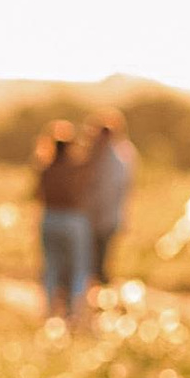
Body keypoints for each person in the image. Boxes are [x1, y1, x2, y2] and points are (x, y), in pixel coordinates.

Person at [33, 122, 93, 323]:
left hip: (49, 218)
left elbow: (36, 195)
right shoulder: (75, 169)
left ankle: (50, 311)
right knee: (77, 267)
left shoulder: (45, 168)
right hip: (72, 220)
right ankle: (74, 312)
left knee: (51, 266)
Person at [79, 110, 136, 300]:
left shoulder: (114, 159)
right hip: (103, 216)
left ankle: (97, 300)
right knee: (97, 260)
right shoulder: (123, 155)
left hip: (101, 216)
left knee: (97, 261)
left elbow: (108, 192)